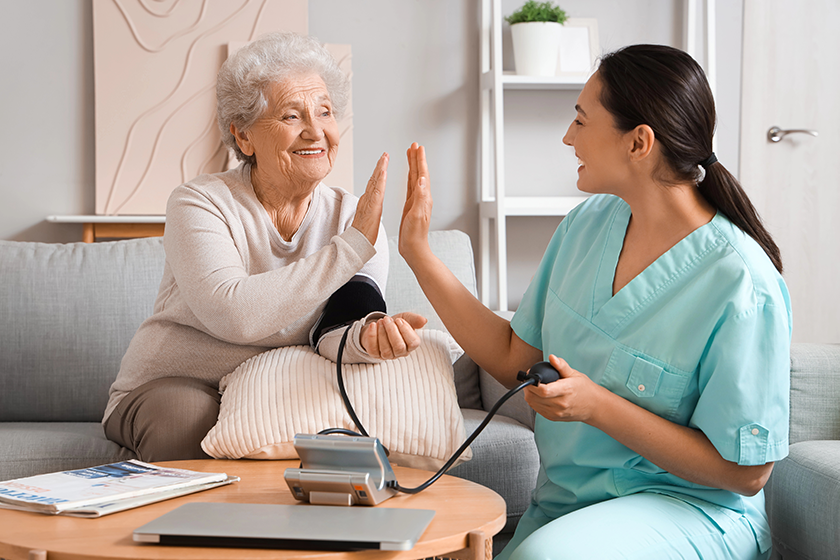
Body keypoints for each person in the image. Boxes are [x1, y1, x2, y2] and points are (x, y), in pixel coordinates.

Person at [399, 44, 790, 559]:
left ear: (639, 142)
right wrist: (418, 251)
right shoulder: (585, 227)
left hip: (689, 511)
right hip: (567, 510)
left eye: (581, 120)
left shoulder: (741, 283)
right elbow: (514, 357)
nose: (568, 136)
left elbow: (747, 472)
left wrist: (597, 407)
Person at [103, 32, 425, 462]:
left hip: (277, 390)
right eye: (292, 115)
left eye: (325, 112)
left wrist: (368, 338)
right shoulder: (200, 202)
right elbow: (233, 314)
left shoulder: (353, 216)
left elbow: (335, 330)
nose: (316, 131)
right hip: (174, 385)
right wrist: (350, 248)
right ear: (244, 137)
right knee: (188, 416)